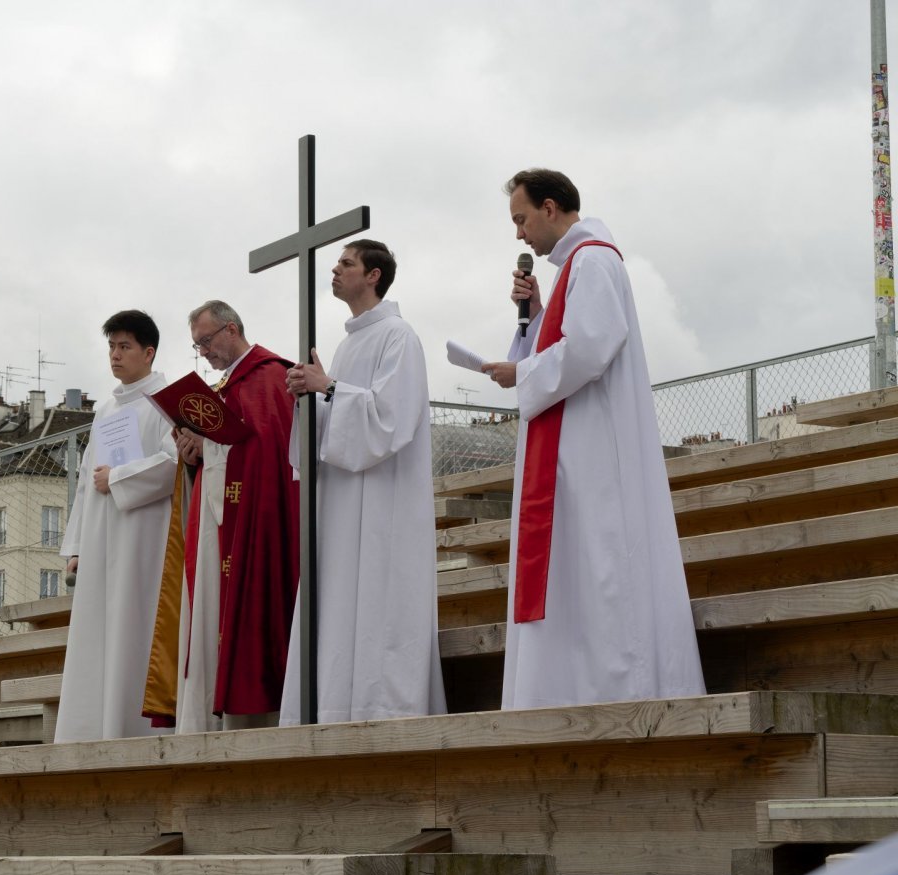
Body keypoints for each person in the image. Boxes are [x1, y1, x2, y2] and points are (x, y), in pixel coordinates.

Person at [481, 168, 705, 709]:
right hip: (575, 444)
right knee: (579, 576)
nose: (519, 235)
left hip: (593, 452)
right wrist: (534, 315)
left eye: (521, 218)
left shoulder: (596, 260)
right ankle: (572, 691)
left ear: (551, 207)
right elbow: (570, 340)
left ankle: (613, 691)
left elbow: (591, 346)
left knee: (601, 576)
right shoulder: (576, 268)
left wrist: (523, 374)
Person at [281, 239, 447, 724]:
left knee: (377, 602)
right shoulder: (348, 342)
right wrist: (307, 399)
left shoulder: (399, 337)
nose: (333, 270)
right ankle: (332, 707)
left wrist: (328, 388)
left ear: (374, 275)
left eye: (346, 263)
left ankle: (382, 708)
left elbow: (391, 421)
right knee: (337, 604)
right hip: (341, 504)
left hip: (382, 504)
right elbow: (338, 421)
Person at [168, 300, 300, 732]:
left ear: (231, 329)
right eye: (197, 346)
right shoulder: (225, 389)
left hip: (255, 523)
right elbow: (222, 453)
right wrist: (193, 454)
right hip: (218, 522)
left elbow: (267, 451)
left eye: (206, 341)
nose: (203, 352)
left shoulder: (270, 376)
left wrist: (210, 449)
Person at [54, 310, 177, 742]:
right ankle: (92, 728)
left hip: (144, 536)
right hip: (104, 537)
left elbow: (174, 463)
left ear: (149, 352)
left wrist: (120, 478)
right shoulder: (106, 408)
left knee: (135, 625)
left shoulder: (169, 400)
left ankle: (135, 728)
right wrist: (76, 548)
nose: (115, 355)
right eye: (111, 347)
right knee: (99, 631)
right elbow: (88, 479)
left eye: (124, 346)